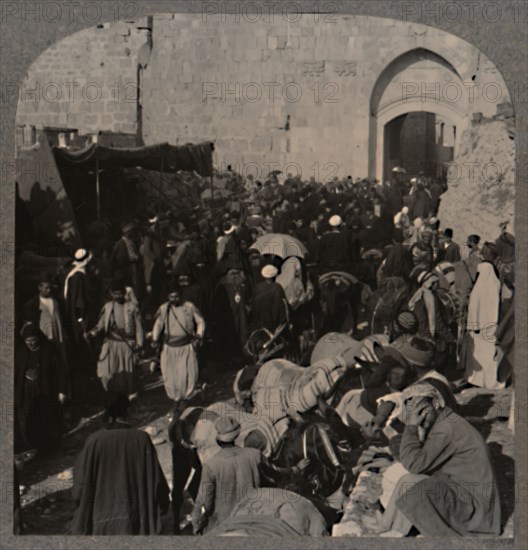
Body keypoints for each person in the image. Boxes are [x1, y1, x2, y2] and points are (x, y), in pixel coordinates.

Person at [379, 385, 501, 537]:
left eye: (422, 410)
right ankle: (388, 532)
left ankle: (394, 533)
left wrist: (411, 426)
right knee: (408, 481)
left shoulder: (446, 429)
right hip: (464, 493)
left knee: (417, 489)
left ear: (436, 404)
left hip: (476, 512)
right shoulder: (444, 419)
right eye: (414, 413)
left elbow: (414, 464)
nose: (420, 417)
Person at [71, 393, 170, 535]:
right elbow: (156, 480)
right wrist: (162, 504)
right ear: (128, 411)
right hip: (135, 521)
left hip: (101, 523)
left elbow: (79, 485)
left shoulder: (95, 441)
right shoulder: (141, 439)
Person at [191, 416, 308, 534]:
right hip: (255, 518)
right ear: (236, 435)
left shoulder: (211, 465)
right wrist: (296, 468)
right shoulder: (255, 455)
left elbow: (204, 502)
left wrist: (197, 524)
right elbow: (277, 472)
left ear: (218, 439)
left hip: (224, 523)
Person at [87, 278, 144, 400]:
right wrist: (92, 333)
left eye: (120, 293)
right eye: (115, 293)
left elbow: (139, 328)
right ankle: (113, 395)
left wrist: (139, 344)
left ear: (124, 292)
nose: (118, 296)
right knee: (106, 371)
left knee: (127, 373)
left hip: (127, 344)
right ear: (111, 293)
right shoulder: (108, 307)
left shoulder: (132, 307)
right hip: (111, 344)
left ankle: (126, 400)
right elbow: (101, 324)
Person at [15, 322, 68, 451]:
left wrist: (62, 391)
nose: (30, 344)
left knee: (45, 419)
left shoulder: (49, 349)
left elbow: (61, 371)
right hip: (26, 394)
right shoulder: (22, 351)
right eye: (27, 341)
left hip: (45, 392)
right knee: (28, 419)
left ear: (38, 338)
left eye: (33, 340)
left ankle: (47, 446)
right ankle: (32, 444)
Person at [150, 285, 205, 402]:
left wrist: (199, 335)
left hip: (186, 346)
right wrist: (155, 338)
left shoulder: (189, 307)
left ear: (181, 296)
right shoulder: (164, 308)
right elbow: (158, 325)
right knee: (170, 376)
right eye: (171, 296)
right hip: (169, 348)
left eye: (176, 296)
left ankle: (186, 399)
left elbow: (200, 321)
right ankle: (176, 400)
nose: (174, 299)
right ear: (167, 296)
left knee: (186, 375)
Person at [463, 261, 504, 390]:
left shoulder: (478, 288)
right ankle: (490, 381)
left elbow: (473, 308)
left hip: (478, 328)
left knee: (477, 355)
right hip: (492, 326)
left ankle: (477, 380)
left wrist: (473, 326)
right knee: (490, 356)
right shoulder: (496, 285)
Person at [23, 273, 68, 368]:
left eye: (50, 288)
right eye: (46, 288)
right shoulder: (32, 304)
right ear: (39, 287)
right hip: (44, 338)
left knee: (60, 362)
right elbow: (29, 324)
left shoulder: (58, 301)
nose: (49, 290)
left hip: (58, 337)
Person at [64, 248, 93, 348]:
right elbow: (80, 302)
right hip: (80, 316)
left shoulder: (71, 273)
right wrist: (83, 321)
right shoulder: (79, 278)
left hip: (74, 314)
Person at [248, 265, 289, 335]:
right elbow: (283, 307)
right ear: (274, 276)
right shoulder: (277, 288)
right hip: (273, 327)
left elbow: (251, 307)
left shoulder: (257, 288)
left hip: (257, 327)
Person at [111, 222, 145, 304]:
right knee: (132, 288)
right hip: (129, 269)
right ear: (128, 233)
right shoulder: (121, 244)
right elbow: (121, 260)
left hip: (133, 267)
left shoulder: (130, 241)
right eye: (132, 232)